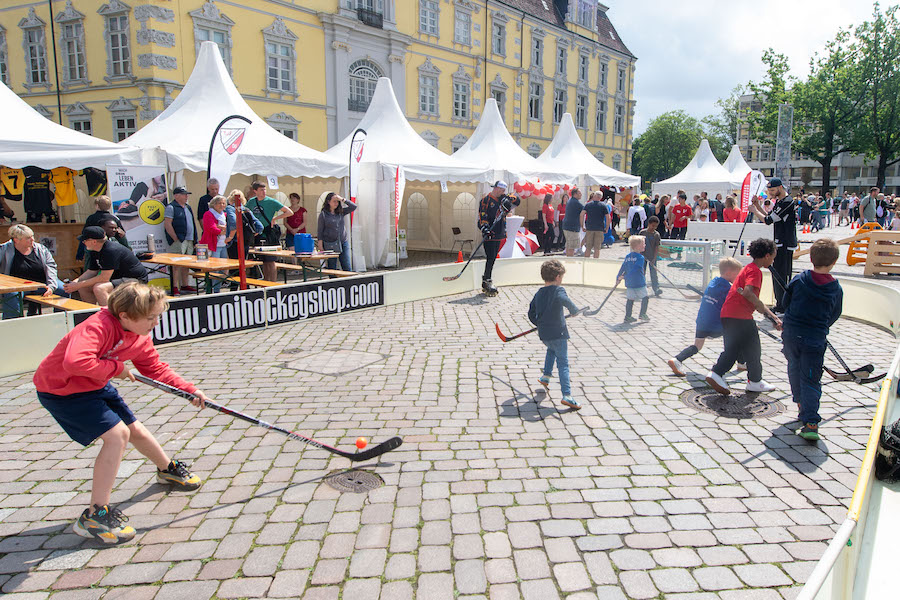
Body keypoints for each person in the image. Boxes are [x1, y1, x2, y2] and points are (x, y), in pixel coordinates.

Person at [34, 282, 209, 543]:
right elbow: (75, 361)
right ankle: (95, 515)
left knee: (134, 429)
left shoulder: (140, 336)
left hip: (95, 384)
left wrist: (189, 390)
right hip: (62, 390)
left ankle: (167, 469)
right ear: (125, 315)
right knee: (117, 436)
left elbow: (155, 369)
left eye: (158, 316)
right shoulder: (99, 325)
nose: (156, 323)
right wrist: (116, 369)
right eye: (150, 318)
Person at [781, 239, 843, 441]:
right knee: (811, 378)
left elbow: (785, 303)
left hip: (791, 334)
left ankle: (800, 402)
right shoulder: (835, 288)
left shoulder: (799, 280)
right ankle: (811, 422)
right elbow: (835, 313)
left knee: (794, 368)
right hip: (814, 339)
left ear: (810, 257)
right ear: (834, 261)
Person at [705, 238, 782, 396]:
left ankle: (722, 374)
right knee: (753, 349)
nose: (773, 260)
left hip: (729, 314)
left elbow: (749, 296)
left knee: (734, 349)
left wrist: (770, 314)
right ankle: (750, 380)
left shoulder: (747, 268)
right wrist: (770, 316)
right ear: (767, 255)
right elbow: (748, 293)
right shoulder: (755, 271)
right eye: (773, 257)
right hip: (740, 316)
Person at [667, 257, 743, 376]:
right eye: (737, 274)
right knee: (737, 338)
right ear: (728, 273)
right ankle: (738, 363)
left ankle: (677, 359)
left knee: (697, 346)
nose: (739, 277)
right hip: (715, 324)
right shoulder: (728, 288)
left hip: (702, 321)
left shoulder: (713, 282)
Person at [529, 259, 581, 411]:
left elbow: (531, 313)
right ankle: (567, 395)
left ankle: (545, 376)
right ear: (558, 277)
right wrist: (574, 310)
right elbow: (565, 301)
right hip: (558, 332)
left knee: (551, 350)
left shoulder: (539, 293)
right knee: (563, 363)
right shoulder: (559, 290)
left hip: (544, 334)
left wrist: (539, 324)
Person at [65, 227, 149, 306]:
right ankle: (91, 314)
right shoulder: (94, 250)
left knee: (99, 288)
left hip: (135, 279)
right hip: (118, 278)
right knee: (84, 287)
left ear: (94, 242)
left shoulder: (110, 250)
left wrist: (78, 285)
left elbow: (104, 278)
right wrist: (75, 283)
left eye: (84, 240)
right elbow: (91, 271)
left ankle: (109, 318)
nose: (83, 242)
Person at [748, 178, 797, 314]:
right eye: (769, 191)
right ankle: (779, 303)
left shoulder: (787, 202)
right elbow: (770, 216)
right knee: (776, 274)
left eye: (773, 190)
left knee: (782, 275)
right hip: (779, 242)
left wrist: (754, 211)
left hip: (785, 244)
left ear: (780, 187)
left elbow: (769, 220)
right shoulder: (780, 201)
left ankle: (783, 305)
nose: (771, 193)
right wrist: (757, 206)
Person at [1, 224, 67, 318]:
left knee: (64, 289)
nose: (32, 239)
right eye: (28, 238)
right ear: (16, 240)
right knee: (11, 294)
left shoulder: (41, 249)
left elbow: (51, 267)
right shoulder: (4, 249)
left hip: (42, 284)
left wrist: (51, 286)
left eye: (32, 236)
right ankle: (13, 324)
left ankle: (61, 319)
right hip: (19, 287)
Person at [477, 181, 520, 295]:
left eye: (504, 191)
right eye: (501, 190)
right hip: (490, 233)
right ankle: (487, 281)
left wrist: (511, 199)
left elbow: (517, 200)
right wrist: (485, 228)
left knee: (493, 258)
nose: (502, 192)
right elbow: (482, 216)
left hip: (499, 232)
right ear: (495, 188)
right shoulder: (486, 200)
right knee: (490, 258)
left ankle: (486, 280)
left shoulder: (503, 199)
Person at [248, 182, 293, 280]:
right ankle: (266, 282)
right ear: (255, 191)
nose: (264, 192)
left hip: (269, 233)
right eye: (261, 190)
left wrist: (275, 218)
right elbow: (246, 213)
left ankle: (273, 283)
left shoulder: (271, 201)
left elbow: (289, 212)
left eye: (264, 190)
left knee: (271, 260)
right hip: (258, 234)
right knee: (264, 261)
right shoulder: (251, 202)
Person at [163, 186, 197, 294]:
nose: (186, 196)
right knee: (176, 265)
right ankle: (174, 287)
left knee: (186, 264)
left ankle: (184, 285)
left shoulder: (188, 207)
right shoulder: (171, 207)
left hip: (189, 239)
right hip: (179, 240)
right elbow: (167, 224)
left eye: (187, 194)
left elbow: (192, 223)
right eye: (184, 194)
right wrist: (175, 238)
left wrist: (195, 239)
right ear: (176, 196)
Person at [317, 192, 357, 272]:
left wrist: (342, 199)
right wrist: (320, 245)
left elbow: (353, 207)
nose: (336, 203)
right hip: (329, 243)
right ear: (328, 202)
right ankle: (332, 282)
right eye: (334, 201)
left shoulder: (341, 212)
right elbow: (320, 230)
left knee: (346, 265)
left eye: (337, 201)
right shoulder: (324, 214)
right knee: (332, 267)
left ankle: (348, 282)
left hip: (342, 241)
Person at [199, 195, 228, 293]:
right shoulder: (208, 214)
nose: (222, 205)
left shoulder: (224, 215)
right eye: (219, 203)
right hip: (212, 245)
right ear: (214, 204)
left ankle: (217, 290)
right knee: (213, 270)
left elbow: (229, 227)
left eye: (223, 203)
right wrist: (224, 230)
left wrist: (220, 227)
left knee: (222, 269)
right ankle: (210, 291)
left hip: (223, 245)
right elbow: (211, 228)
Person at [617, 235, 649, 323]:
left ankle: (628, 316)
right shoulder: (640, 257)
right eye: (643, 244)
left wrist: (618, 277)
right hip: (639, 282)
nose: (645, 245)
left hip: (629, 283)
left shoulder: (628, 256)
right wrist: (625, 276)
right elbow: (636, 269)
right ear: (638, 246)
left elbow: (623, 267)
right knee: (645, 297)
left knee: (630, 299)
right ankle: (642, 314)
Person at [581, 191, 609, 258]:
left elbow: (581, 215)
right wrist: (607, 228)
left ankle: (586, 262)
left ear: (594, 196)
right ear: (601, 198)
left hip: (590, 228)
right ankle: (595, 263)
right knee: (597, 248)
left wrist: (582, 226)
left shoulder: (588, 205)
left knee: (588, 247)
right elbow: (608, 217)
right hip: (599, 229)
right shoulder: (603, 206)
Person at [640, 216, 662, 296]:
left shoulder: (656, 235)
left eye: (655, 226)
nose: (654, 228)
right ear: (649, 224)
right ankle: (641, 288)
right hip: (643, 257)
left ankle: (656, 288)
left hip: (652, 257)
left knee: (653, 273)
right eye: (653, 225)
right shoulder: (642, 233)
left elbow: (657, 247)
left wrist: (654, 258)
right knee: (642, 273)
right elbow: (639, 244)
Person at [561, 187, 584, 257]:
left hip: (567, 226)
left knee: (569, 245)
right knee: (572, 247)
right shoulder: (575, 202)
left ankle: (568, 260)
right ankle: (570, 261)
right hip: (572, 228)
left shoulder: (570, 201)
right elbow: (585, 209)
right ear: (575, 194)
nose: (581, 194)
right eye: (579, 193)